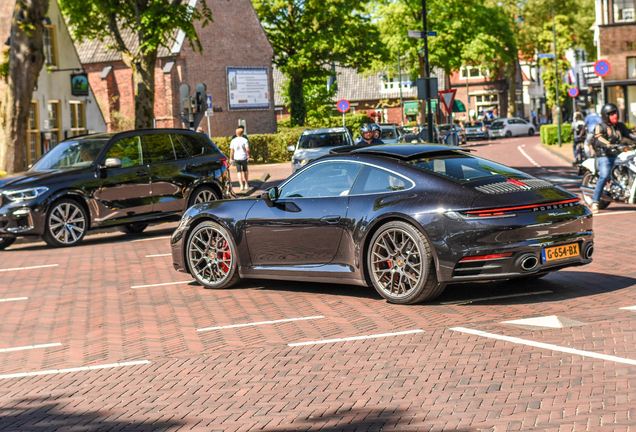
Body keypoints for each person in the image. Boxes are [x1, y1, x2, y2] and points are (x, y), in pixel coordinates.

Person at [591, 103, 636, 214]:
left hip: (617, 154)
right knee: (604, 175)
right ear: (606, 116)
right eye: (611, 114)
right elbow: (598, 138)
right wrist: (608, 144)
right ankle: (595, 202)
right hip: (604, 155)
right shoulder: (600, 126)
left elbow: (629, 134)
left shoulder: (620, 126)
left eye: (615, 113)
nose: (614, 116)